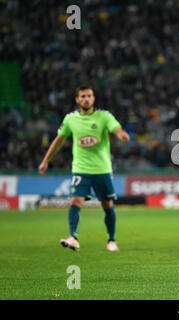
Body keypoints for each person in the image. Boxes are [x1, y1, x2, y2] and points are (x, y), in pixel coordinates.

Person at [39, 86, 130, 251]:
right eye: (83, 96)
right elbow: (59, 140)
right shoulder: (70, 119)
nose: (87, 98)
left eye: (89, 95)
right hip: (81, 169)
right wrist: (46, 160)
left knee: (107, 204)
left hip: (102, 169)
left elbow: (115, 128)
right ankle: (73, 237)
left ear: (94, 98)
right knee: (75, 200)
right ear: (77, 99)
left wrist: (121, 134)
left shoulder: (104, 116)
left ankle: (111, 240)